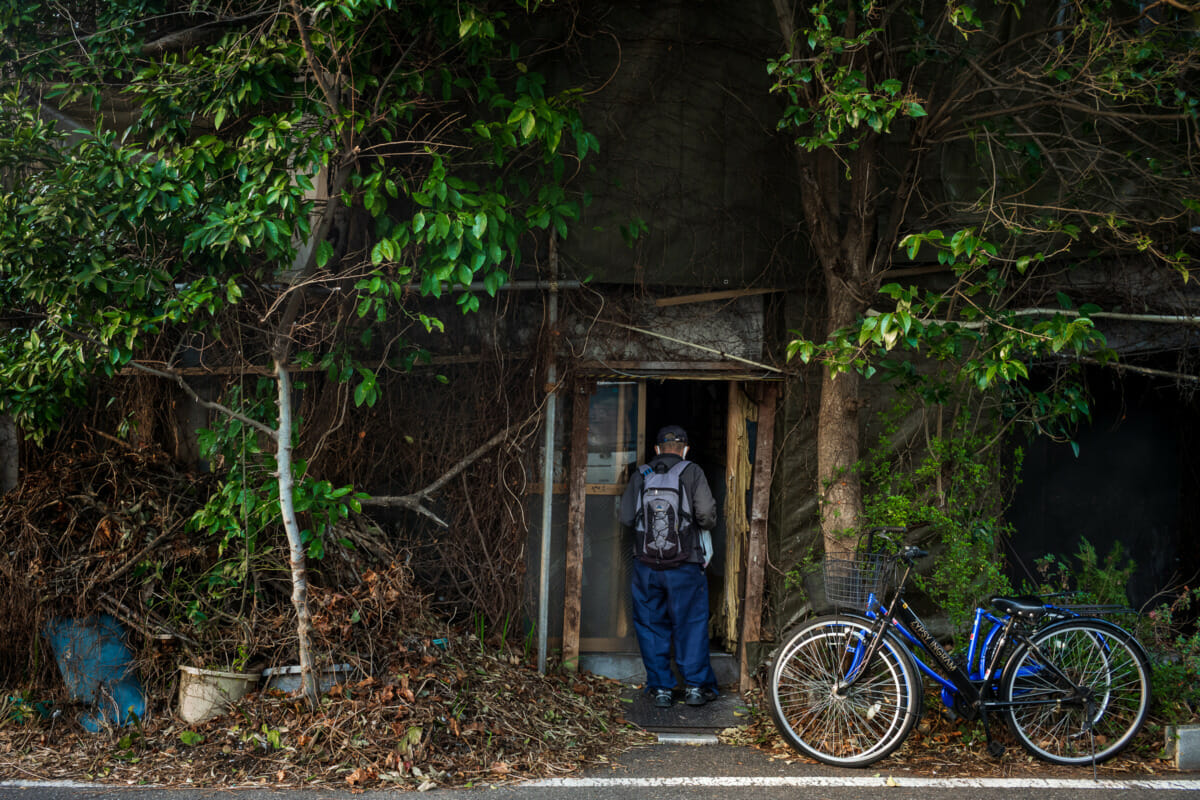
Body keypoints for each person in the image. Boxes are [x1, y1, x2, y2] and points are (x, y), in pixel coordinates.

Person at [619, 424, 720, 708]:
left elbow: (626, 517)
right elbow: (707, 517)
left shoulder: (641, 474)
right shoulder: (693, 472)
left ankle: (661, 689)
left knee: (651, 625)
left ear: (657, 449)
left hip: (646, 565)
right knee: (691, 624)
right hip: (685, 564)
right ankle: (695, 688)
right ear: (685, 448)